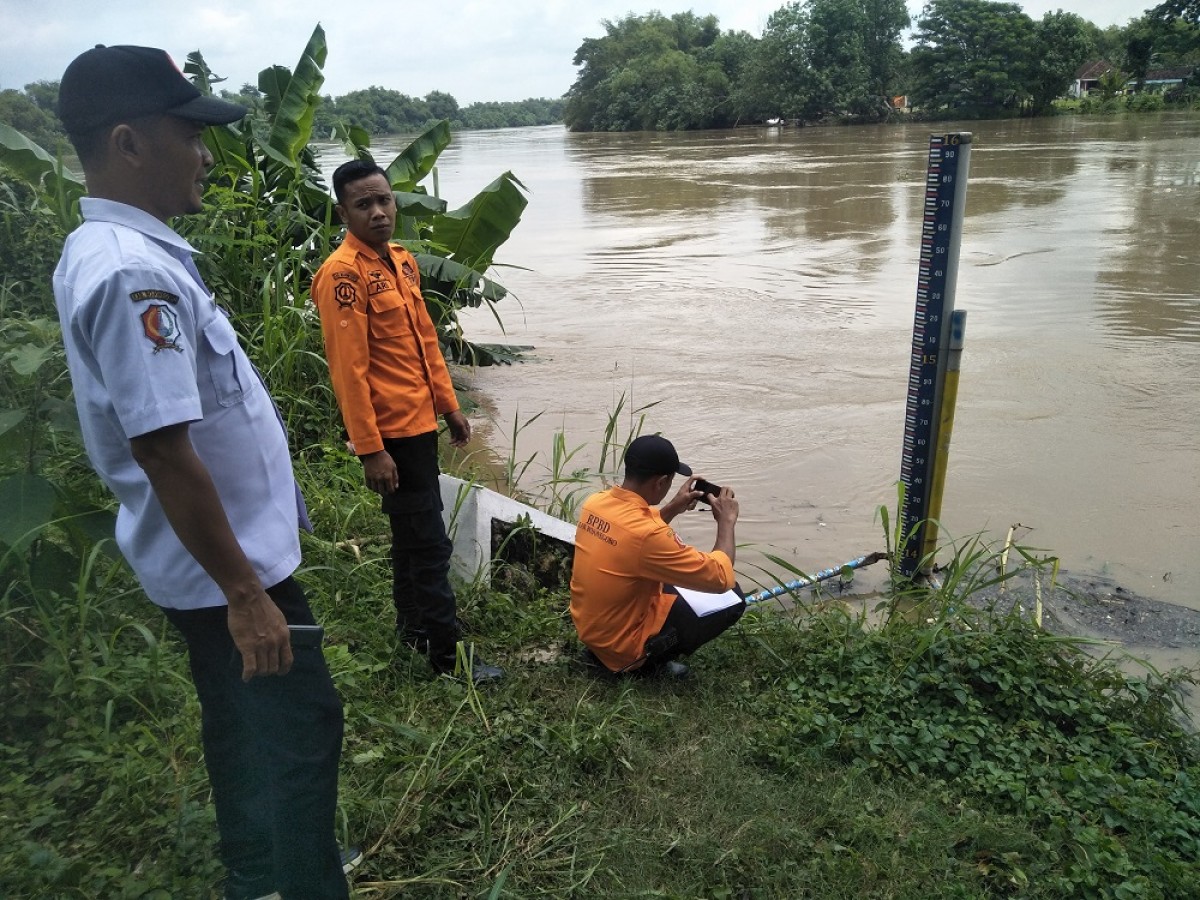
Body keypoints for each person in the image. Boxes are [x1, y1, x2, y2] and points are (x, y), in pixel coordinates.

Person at [52, 45, 350, 900]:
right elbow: (161, 447)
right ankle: (302, 883)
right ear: (129, 143)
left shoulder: (114, 250)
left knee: (243, 728)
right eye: (190, 135)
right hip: (230, 575)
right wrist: (246, 595)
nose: (206, 155)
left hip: (218, 567)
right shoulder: (132, 270)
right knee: (300, 734)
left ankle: (257, 875)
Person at [311, 159, 503, 683]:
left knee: (411, 537)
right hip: (391, 435)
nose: (378, 212)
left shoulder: (401, 261)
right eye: (363, 204)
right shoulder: (342, 276)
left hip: (420, 425)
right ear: (342, 211)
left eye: (384, 200)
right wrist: (370, 448)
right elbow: (348, 373)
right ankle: (448, 658)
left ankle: (414, 631)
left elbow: (424, 345)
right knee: (428, 543)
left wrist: (451, 407)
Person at [569, 434, 746, 677]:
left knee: (670, 577)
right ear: (661, 482)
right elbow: (720, 578)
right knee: (732, 597)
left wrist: (673, 507)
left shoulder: (595, 503)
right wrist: (726, 522)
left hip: (592, 631)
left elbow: (633, 538)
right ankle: (645, 664)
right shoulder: (649, 536)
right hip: (620, 650)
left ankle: (608, 653)